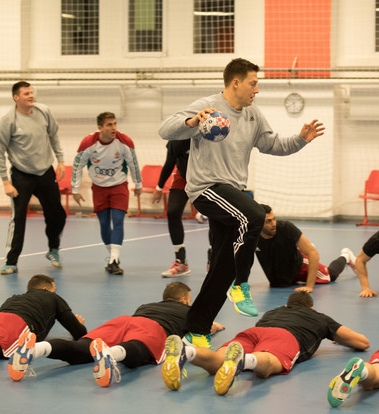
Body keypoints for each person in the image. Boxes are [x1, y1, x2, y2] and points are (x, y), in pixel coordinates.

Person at [158, 58, 325, 347]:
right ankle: (241, 285)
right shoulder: (207, 106)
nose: (256, 90)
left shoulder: (252, 115)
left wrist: (301, 139)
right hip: (207, 189)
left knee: (223, 266)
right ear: (236, 82)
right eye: (253, 83)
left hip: (231, 192)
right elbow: (166, 129)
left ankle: (196, 330)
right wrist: (193, 122)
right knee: (254, 215)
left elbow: (273, 145)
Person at [7, 281, 223, 387]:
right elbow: (206, 326)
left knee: (82, 348)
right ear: (185, 300)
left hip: (123, 320)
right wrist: (216, 326)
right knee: (139, 349)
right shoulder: (188, 310)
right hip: (154, 328)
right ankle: (110, 356)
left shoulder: (147, 304)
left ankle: (34, 350)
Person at [161, 291, 369, 395]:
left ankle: (187, 352)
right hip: (286, 336)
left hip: (254, 331)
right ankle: (245, 360)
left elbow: (262, 335)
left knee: (218, 361)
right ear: (311, 308)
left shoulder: (273, 311)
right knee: (268, 364)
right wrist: (334, 336)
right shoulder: (320, 318)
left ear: (287, 305)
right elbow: (362, 342)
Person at [0, 81, 67, 275]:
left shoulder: (44, 111)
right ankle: (11, 261)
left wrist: (60, 160)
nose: (31, 96)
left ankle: (53, 249)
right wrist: (6, 182)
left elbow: (54, 136)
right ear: (16, 98)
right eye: (26, 93)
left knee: (57, 214)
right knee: (18, 219)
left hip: (45, 172)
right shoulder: (8, 120)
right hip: (21, 175)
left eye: (32, 92)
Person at [71, 112, 142, 274]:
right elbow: (77, 166)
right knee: (104, 223)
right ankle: (112, 258)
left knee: (118, 220)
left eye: (115, 124)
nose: (114, 128)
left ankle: (114, 260)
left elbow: (134, 164)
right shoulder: (88, 143)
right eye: (109, 125)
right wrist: (75, 189)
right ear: (100, 128)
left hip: (119, 186)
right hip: (98, 187)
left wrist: (138, 184)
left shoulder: (125, 142)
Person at [256, 204, 356, 292]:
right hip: (280, 273)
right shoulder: (252, 234)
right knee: (279, 284)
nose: (273, 224)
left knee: (331, 275)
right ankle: (301, 247)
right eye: (268, 221)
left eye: (274, 219)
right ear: (259, 223)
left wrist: (309, 286)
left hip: (299, 266)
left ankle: (346, 256)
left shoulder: (286, 228)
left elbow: (314, 254)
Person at [152, 140, 192, 277]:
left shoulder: (209, 133)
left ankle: (213, 260)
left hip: (207, 177)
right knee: (173, 212)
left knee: (214, 216)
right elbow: (169, 163)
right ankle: (180, 262)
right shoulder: (177, 138)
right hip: (183, 176)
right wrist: (159, 187)